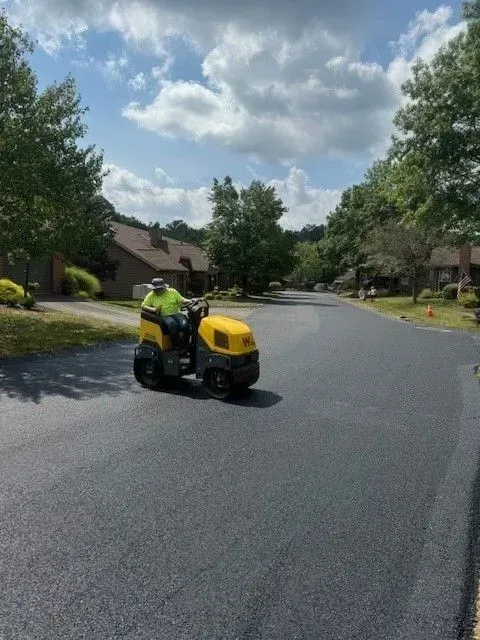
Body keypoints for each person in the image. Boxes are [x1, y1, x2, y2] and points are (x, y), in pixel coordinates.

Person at [141, 278, 192, 348]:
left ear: (164, 287)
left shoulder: (173, 292)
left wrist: (190, 301)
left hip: (176, 313)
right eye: (156, 289)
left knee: (185, 324)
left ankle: (186, 344)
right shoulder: (151, 295)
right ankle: (175, 345)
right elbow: (143, 305)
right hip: (164, 315)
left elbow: (182, 300)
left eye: (160, 288)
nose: (158, 290)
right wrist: (153, 309)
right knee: (172, 324)